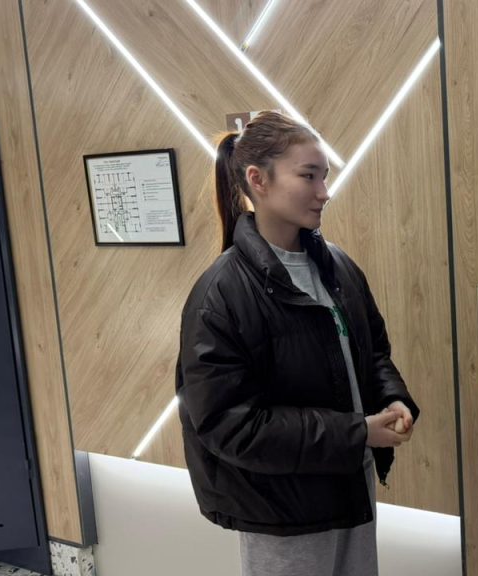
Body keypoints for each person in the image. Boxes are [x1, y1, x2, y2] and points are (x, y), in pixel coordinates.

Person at [176, 111, 418, 576]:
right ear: (257, 180)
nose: (324, 191)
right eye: (308, 176)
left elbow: (373, 351)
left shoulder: (339, 266)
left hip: (351, 486)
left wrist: (392, 397)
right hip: (282, 510)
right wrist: (358, 432)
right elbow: (229, 425)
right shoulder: (220, 294)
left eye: (324, 176)